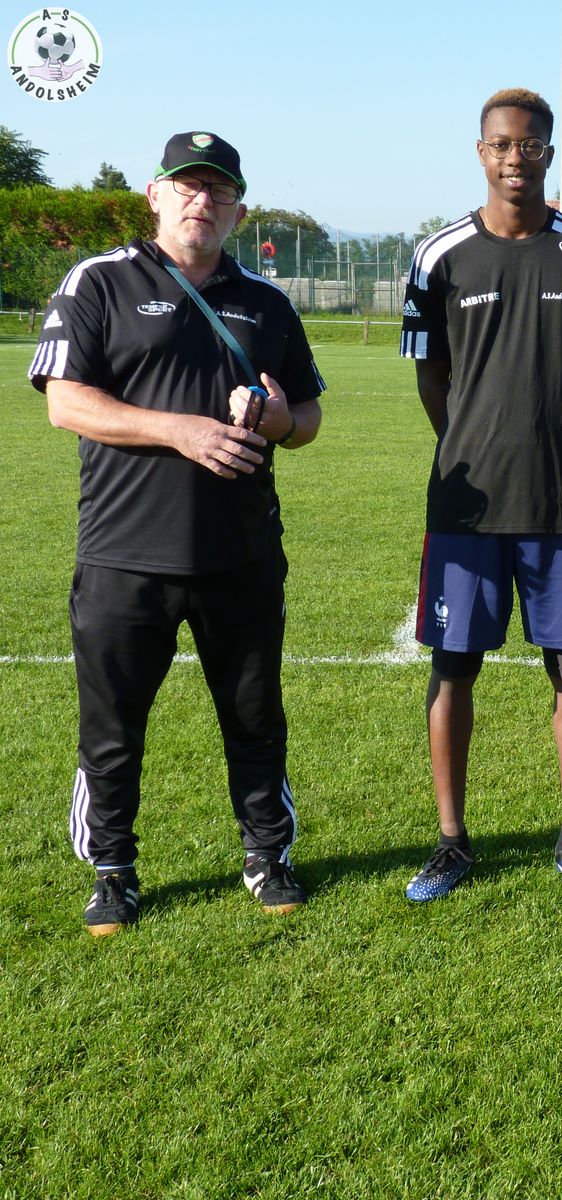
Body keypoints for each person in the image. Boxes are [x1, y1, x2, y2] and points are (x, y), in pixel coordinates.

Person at [30, 130, 325, 934]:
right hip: (124, 554)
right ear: (155, 196)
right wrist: (181, 431)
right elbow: (66, 401)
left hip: (241, 553)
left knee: (255, 718)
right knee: (112, 729)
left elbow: (306, 417)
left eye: (219, 191)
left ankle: (268, 853)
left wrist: (276, 418)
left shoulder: (266, 303)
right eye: (188, 186)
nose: (203, 201)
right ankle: (113, 870)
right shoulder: (100, 281)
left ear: (238, 211)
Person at [399, 88, 562, 902]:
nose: (515, 158)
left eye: (530, 146)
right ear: (481, 151)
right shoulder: (439, 255)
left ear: (549, 155)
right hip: (466, 507)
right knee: (452, 668)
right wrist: (470, 442)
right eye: (501, 145)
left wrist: (561, 444)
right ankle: (452, 843)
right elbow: (431, 376)